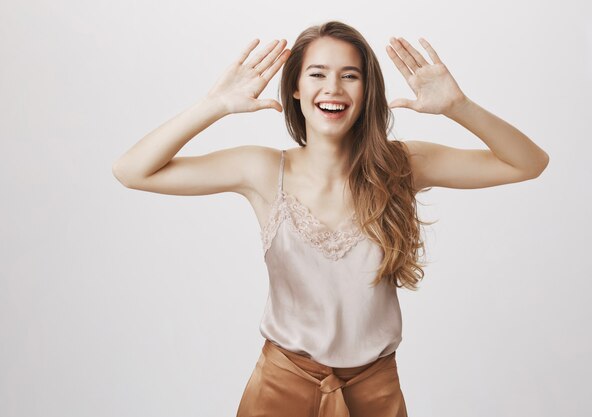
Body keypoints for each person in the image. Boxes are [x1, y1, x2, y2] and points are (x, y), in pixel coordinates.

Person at [112, 20, 549, 417]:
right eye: (317, 74)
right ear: (296, 88)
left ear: (366, 90)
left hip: (374, 390)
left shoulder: (402, 165)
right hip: (280, 387)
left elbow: (527, 164)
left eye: (350, 75)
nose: (333, 88)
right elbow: (132, 171)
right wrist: (214, 105)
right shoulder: (264, 170)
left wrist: (459, 106)